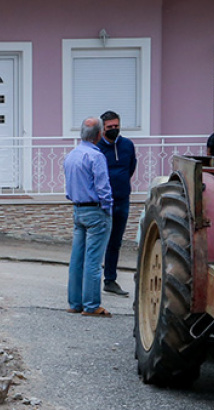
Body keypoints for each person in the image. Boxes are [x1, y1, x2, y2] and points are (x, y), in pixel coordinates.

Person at [63, 116, 114, 317]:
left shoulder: (71, 155)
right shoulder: (96, 156)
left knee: (77, 259)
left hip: (78, 209)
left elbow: (68, 187)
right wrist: (107, 209)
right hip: (95, 211)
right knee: (93, 261)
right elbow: (103, 188)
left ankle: (75, 303)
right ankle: (92, 305)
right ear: (99, 135)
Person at [97, 110, 137, 297]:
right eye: (109, 127)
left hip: (122, 200)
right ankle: (89, 280)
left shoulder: (127, 145)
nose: (114, 130)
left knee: (115, 242)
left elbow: (131, 168)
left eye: (116, 126)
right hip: (102, 202)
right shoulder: (97, 147)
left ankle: (110, 280)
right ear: (102, 128)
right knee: (97, 241)